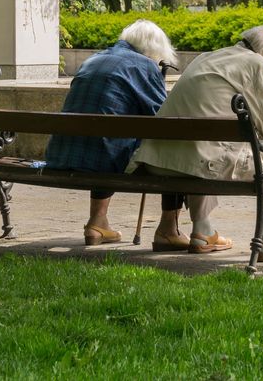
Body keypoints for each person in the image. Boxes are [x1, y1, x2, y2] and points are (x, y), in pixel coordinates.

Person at [131, 26, 263, 262]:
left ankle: (203, 231)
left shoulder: (206, 57)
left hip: (159, 161)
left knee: (205, 147)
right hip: (200, 163)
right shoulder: (257, 65)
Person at [45, 20, 189, 250]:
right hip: (104, 158)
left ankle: (97, 222)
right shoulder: (145, 66)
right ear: (155, 50)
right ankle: (169, 230)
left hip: (63, 154)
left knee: (105, 140)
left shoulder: (94, 59)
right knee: (175, 151)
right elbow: (163, 121)